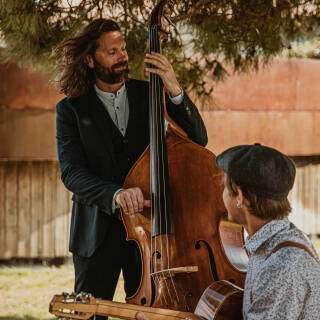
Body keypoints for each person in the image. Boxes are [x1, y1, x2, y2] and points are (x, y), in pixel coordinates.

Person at [55, 18, 208, 316]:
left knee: (150, 312)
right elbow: (72, 172)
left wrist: (173, 85)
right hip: (95, 235)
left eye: (123, 49)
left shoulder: (149, 94)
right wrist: (115, 194)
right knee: (89, 314)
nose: (122, 56)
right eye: (112, 52)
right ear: (89, 59)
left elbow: (198, 139)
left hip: (149, 232)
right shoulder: (70, 109)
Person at [136, 143, 320, 320]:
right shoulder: (272, 245)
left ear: (240, 197)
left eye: (224, 187)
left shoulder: (281, 265)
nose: (221, 194)